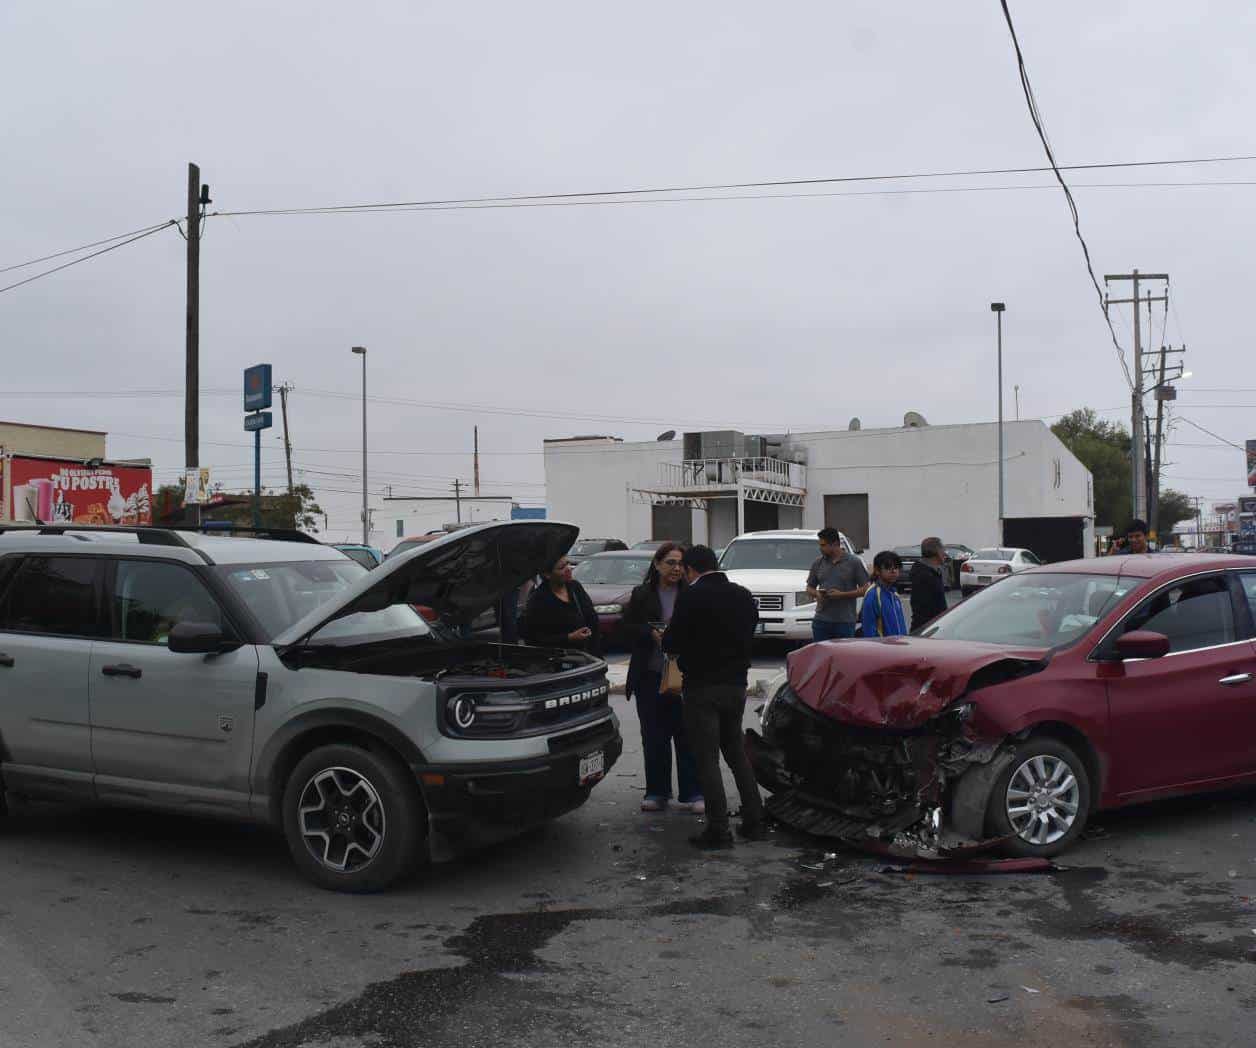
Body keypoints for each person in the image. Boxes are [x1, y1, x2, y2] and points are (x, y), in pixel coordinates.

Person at [662, 545, 764, 849]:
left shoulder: (691, 596)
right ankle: (754, 820)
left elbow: (673, 641)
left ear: (692, 569)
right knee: (735, 753)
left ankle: (718, 830)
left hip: (702, 688)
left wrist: (669, 639)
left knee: (706, 759)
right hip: (736, 686)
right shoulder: (743, 595)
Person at [622, 543, 703, 814]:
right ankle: (657, 792)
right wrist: (649, 633)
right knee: (654, 737)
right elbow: (626, 628)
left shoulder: (692, 595)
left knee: (688, 735)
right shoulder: (642, 594)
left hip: (685, 675)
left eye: (680, 563)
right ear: (657, 565)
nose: (676, 568)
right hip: (650, 675)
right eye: (670, 562)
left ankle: (692, 793)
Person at [520, 552, 600, 653]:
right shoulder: (538, 600)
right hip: (559, 661)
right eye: (562, 567)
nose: (569, 569)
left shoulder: (575, 587)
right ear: (547, 574)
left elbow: (592, 619)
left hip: (588, 657)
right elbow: (534, 639)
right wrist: (569, 638)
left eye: (568, 563)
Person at [805, 527, 870, 642]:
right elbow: (809, 588)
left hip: (845, 622)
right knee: (821, 657)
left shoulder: (854, 562)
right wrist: (817, 594)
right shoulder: (818, 563)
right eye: (820, 545)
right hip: (821, 621)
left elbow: (866, 589)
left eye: (823, 545)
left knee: (843, 657)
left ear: (835, 544)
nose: (820, 548)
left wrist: (842, 595)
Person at [860, 551, 909, 638]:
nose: (893, 571)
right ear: (877, 571)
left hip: (899, 647)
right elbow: (869, 630)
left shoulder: (895, 594)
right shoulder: (873, 595)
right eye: (888, 568)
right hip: (883, 649)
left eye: (896, 567)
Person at [909, 536, 948, 633]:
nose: (945, 553)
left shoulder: (931, 572)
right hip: (927, 631)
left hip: (932, 629)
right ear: (937, 552)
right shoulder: (924, 576)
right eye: (943, 549)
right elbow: (924, 610)